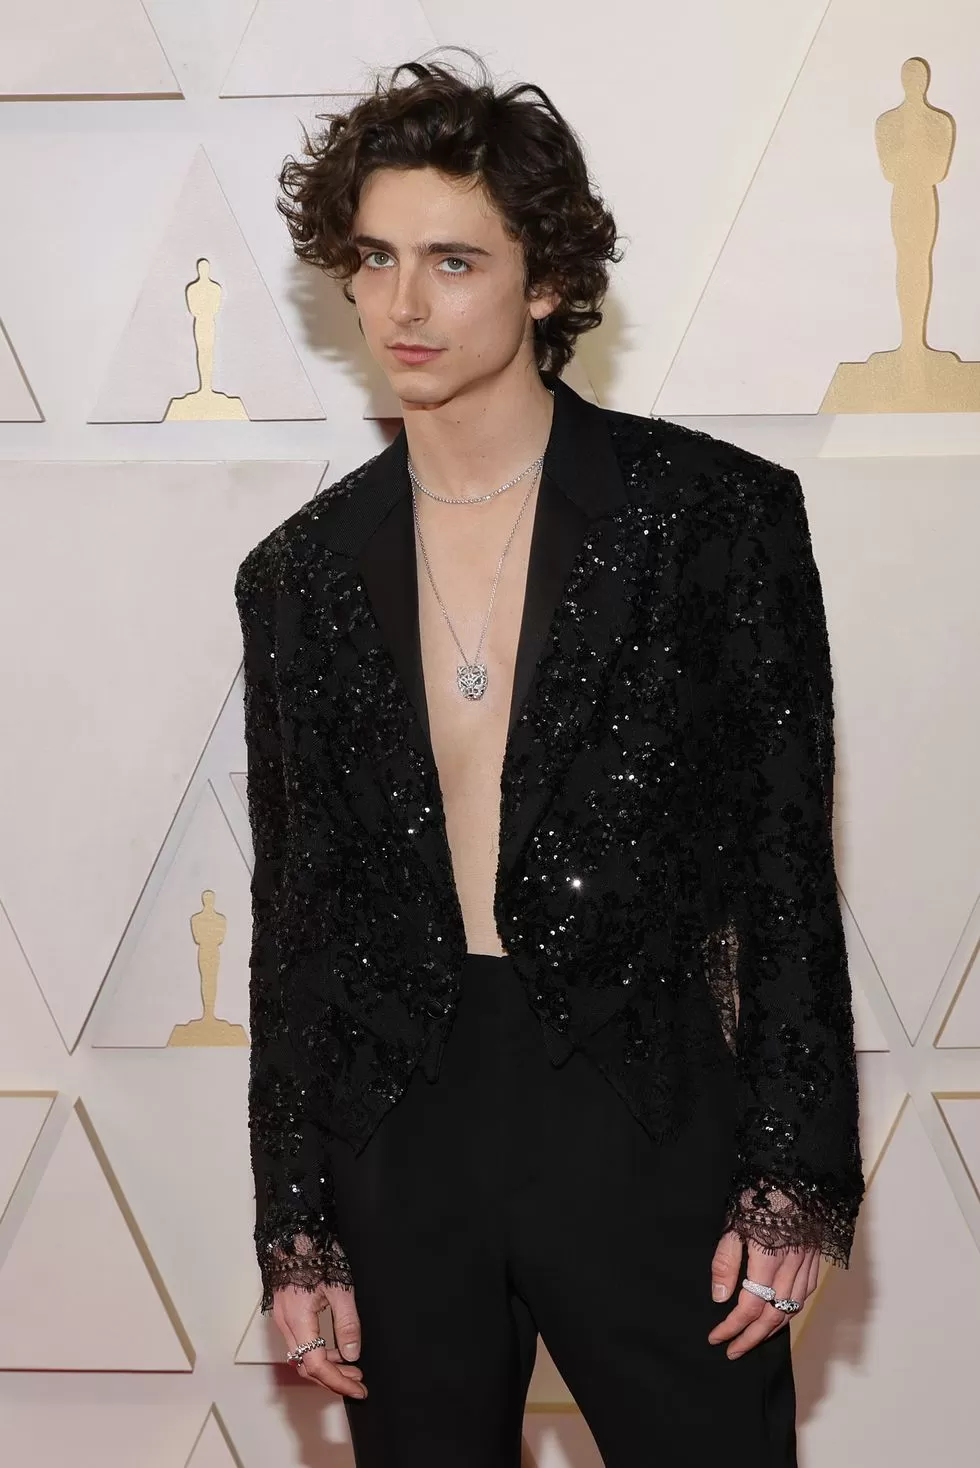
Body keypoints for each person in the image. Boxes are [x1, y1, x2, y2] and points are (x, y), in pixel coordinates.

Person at [234, 49, 865, 1467]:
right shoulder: (299, 575)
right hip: (401, 1132)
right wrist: (296, 1217)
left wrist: (792, 1173)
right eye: (376, 257)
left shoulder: (711, 520)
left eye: (453, 261)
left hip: (641, 1101)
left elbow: (783, 870)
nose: (403, 303)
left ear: (548, 282)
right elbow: (300, 915)